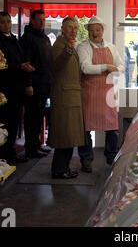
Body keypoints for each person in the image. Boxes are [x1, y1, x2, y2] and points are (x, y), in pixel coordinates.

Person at [0, 11, 34, 164]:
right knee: (2, 122)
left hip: (17, 87)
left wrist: (26, 76)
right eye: (3, 22)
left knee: (14, 122)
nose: (6, 25)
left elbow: (21, 58)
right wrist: (19, 66)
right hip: (2, 88)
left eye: (8, 22)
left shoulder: (13, 38)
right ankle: (0, 154)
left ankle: (11, 152)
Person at [77, 16, 124, 172]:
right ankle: (86, 159)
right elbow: (85, 67)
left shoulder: (111, 46)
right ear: (88, 32)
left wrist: (118, 69)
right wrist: (107, 67)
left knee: (112, 127)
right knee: (86, 128)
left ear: (102, 31)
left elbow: (121, 64)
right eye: (92, 30)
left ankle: (111, 156)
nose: (95, 33)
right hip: (89, 92)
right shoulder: (83, 47)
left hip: (108, 92)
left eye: (97, 30)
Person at [48, 17, 87, 179]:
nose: (74, 31)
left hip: (71, 96)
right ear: (63, 29)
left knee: (70, 137)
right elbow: (57, 65)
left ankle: (64, 167)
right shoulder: (60, 45)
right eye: (70, 27)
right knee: (65, 136)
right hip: (64, 98)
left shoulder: (68, 45)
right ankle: (59, 170)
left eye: (76, 28)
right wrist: (68, 51)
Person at [20, 10, 52, 158]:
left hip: (44, 83)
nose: (41, 22)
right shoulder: (28, 38)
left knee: (39, 117)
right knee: (31, 118)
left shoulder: (44, 37)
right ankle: (30, 148)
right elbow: (26, 63)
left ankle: (37, 144)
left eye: (43, 20)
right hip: (34, 84)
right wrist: (28, 84)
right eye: (39, 20)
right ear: (31, 21)